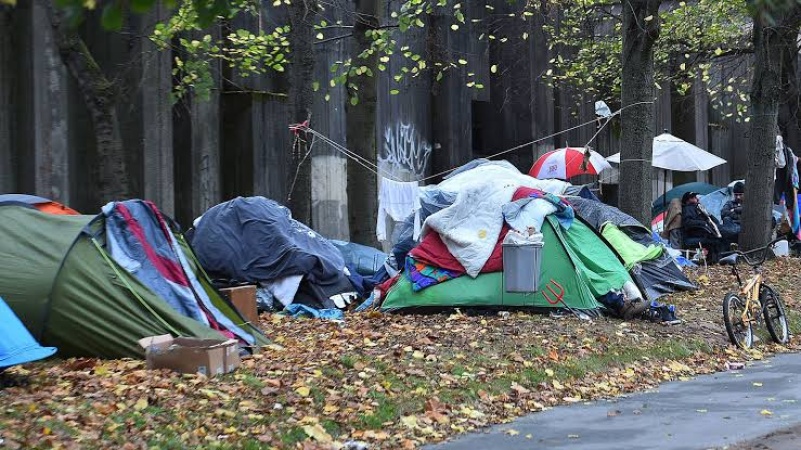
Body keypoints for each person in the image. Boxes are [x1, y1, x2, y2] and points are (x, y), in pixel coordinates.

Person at [681, 191, 726, 262]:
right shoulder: (688, 209)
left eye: (695, 197)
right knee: (717, 240)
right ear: (688, 200)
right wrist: (703, 223)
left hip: (706, 232)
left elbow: (713, 220)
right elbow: (688, 222)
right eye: (693, 197)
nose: (696, 198)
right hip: (696, 235)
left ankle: (719, 259)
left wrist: (708, 215)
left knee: (723, 235)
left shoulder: (699, 208)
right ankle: (718, 260)